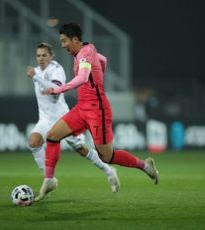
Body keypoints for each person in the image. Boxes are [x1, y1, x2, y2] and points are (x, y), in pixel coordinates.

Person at [35, 23, 159, 201]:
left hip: (97, 111)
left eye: (64, 41)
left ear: (75, 40)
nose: (62, 45)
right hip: (82, 107)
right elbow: (103, 60)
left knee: (107, 156)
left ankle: (144, 165)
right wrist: (98, 79)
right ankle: (49, 180)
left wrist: (58, 90)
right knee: (53, 135)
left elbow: (84, 77)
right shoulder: (85, 52)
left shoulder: (84, 53)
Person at [26, 42, 120, 196]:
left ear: (51, 56)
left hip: (62, 118)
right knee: (33, 142)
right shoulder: (36, 71)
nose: (41, 58)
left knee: (81, 149)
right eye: (38, 55)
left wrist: (36, 78)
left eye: (44, 55)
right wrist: (36, 75)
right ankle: (49, 179)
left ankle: (109, 171)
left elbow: (55, 92)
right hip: (45, 119)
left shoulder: (56, 69)